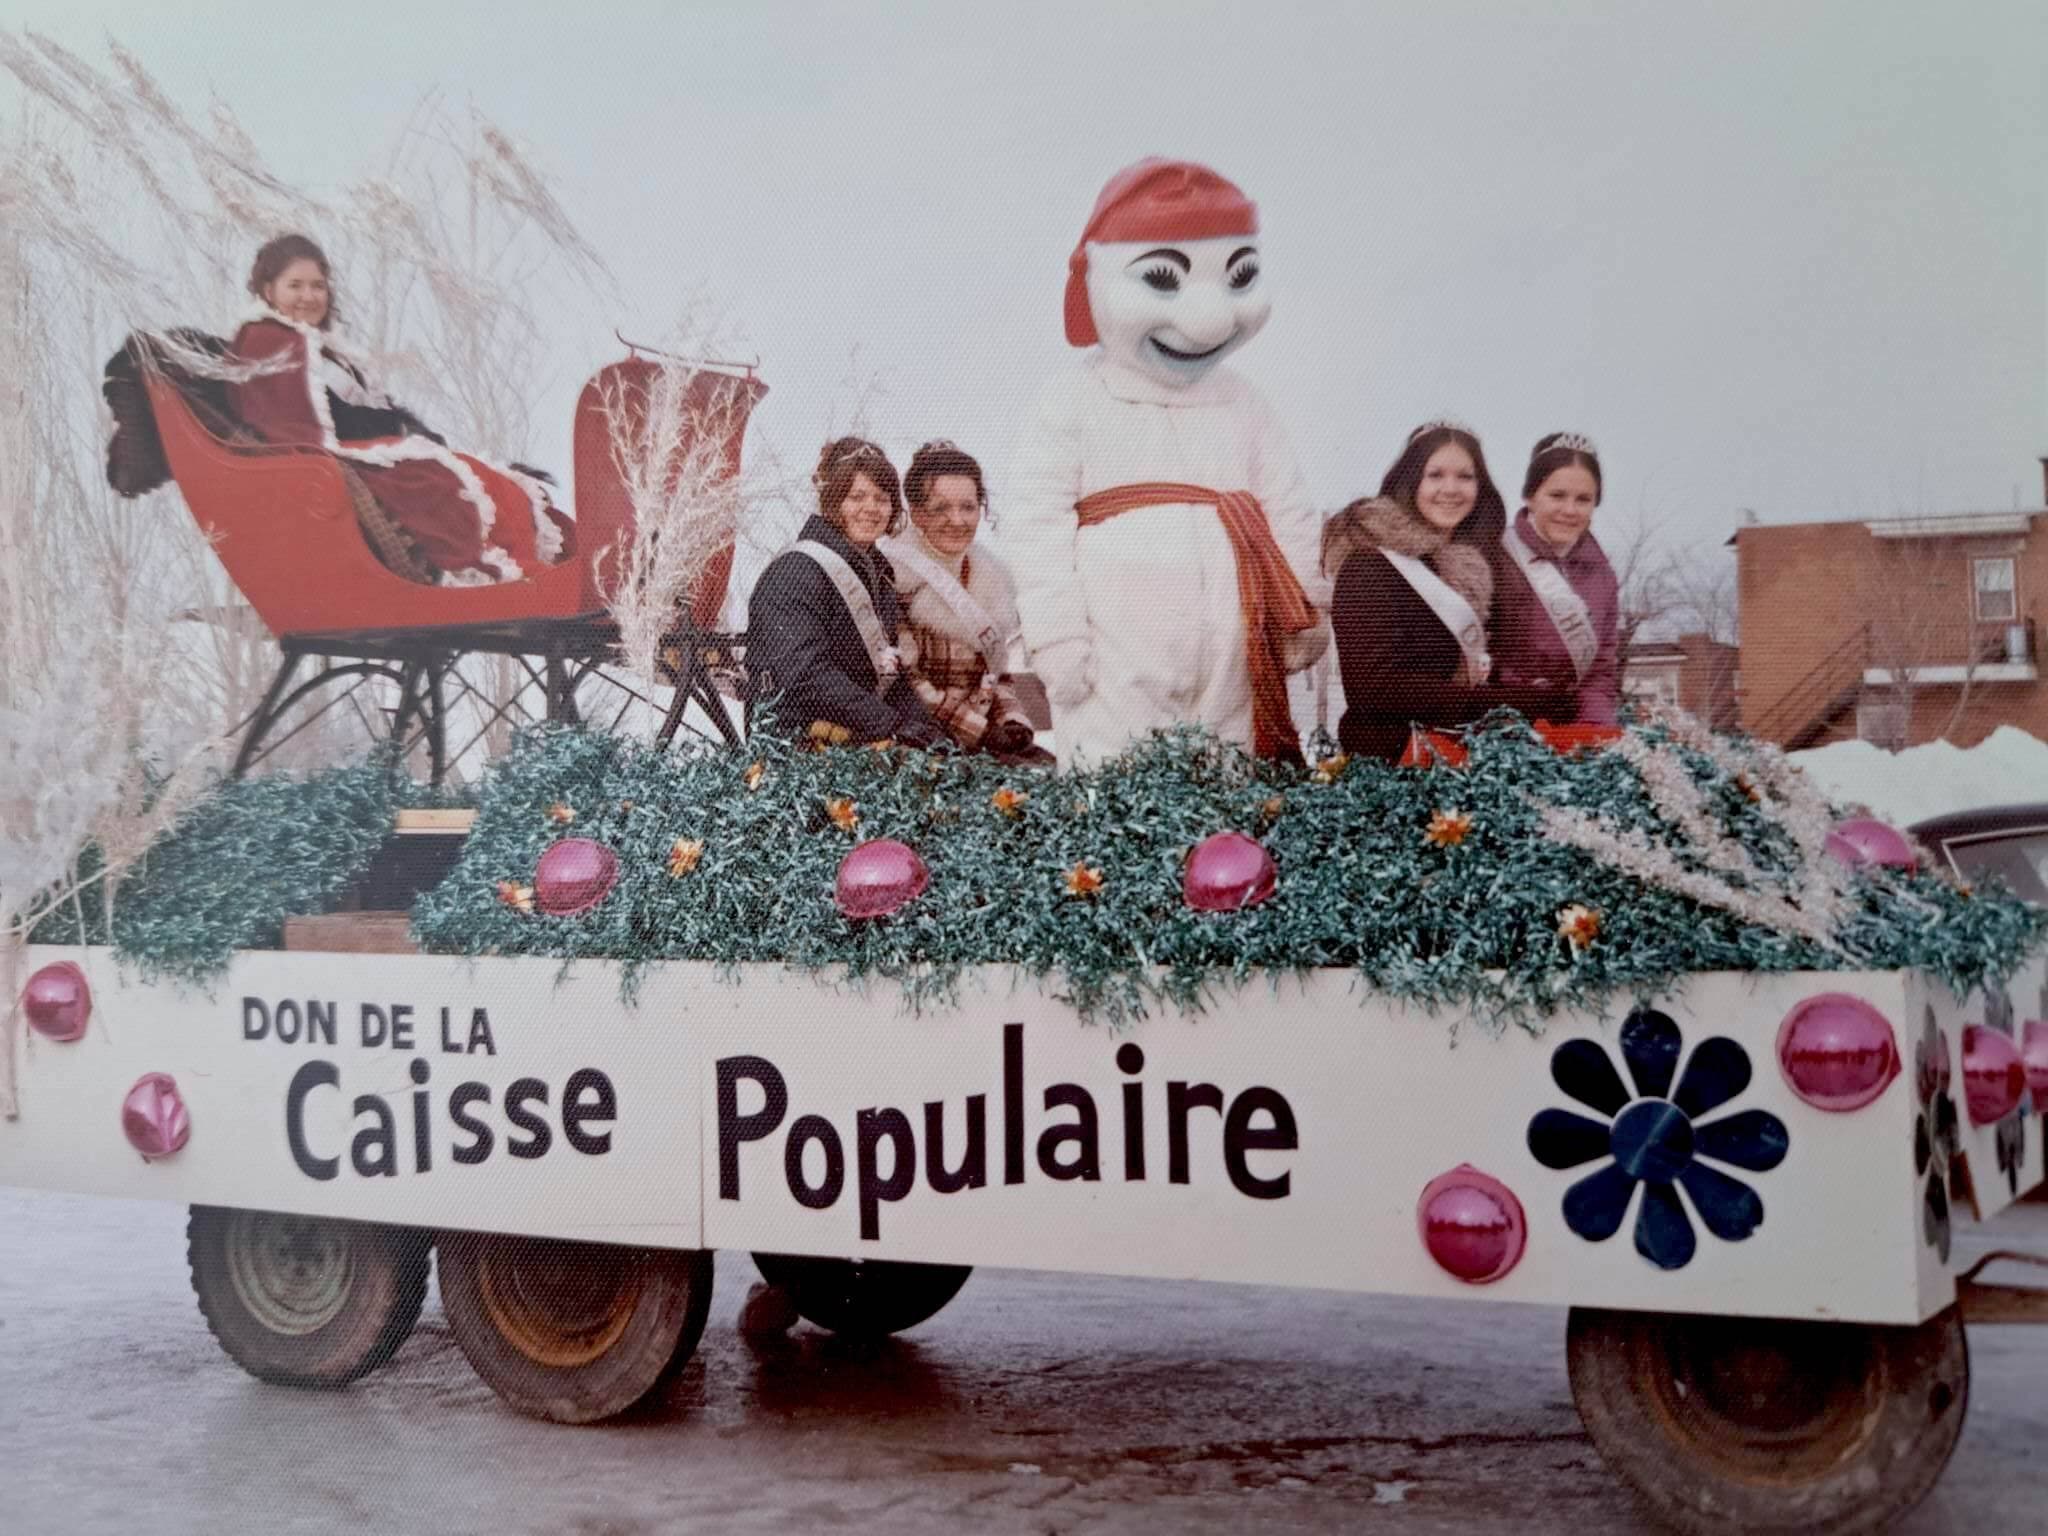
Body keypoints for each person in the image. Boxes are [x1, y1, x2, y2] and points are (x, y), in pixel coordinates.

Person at [1004, 158, 1327, 770]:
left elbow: (1288, 505)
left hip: (1237, 639)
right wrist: (1059, 637)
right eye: (1161, 278)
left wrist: (1301, 606)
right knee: (1120, 777)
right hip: (1115, 645)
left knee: (1230, 771)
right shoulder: (1073, 397)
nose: (1208, 318)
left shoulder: (1245, 401)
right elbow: (1035, 522)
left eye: (1238, 277)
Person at [225, 233, 574, 586]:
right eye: (295, 285)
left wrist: (406, 430)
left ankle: (545, 571)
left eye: (317, 286)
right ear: (269, 291)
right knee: (438, 478)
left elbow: (361, 410)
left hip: (361, 451)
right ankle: (505, 576)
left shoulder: (323, 348)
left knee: (490, 477)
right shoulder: (268, 339)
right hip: (325, 464)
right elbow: (295, 423)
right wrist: (391, 434)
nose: (308, 296)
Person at [1324, 422, 1574, 762]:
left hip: (1466, 758)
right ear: (1410, 481)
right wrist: (1510, 703)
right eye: (1436, 475)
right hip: (1391, 768)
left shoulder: (1479, 567)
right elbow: (1375, 688)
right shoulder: (1370, 564)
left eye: (1465, 477)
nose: (1451, 488)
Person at [744, 438, 946, 748]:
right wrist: (892, 725)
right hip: (799, 743)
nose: (871, 509)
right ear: (833, 501)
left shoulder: (878, 574)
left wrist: (925, 729)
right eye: (857, 497)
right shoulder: (794, 571)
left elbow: (888, 673)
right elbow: (805, 677)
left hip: (861, 730)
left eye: (882, 498)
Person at [879, 441, 1051, 764]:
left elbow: (996, 674)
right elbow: (908, 684)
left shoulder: (991, 578)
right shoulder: (894, 578)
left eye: (968, 507)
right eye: (941, 508)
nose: (956, 520)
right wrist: (981, 732)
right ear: (917, 513)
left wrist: (1011, 720)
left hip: (984, 738)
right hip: (925, 742)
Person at [1490, 433, 1621, 725]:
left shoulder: (1603, 575)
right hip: (1500, 726)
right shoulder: (1495, 557)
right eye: (1557, 496)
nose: (1570, 510)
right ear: (1530, 496)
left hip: (1572, 725)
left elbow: (1599, 672)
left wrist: (1594, 733)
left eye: (1583, 499)